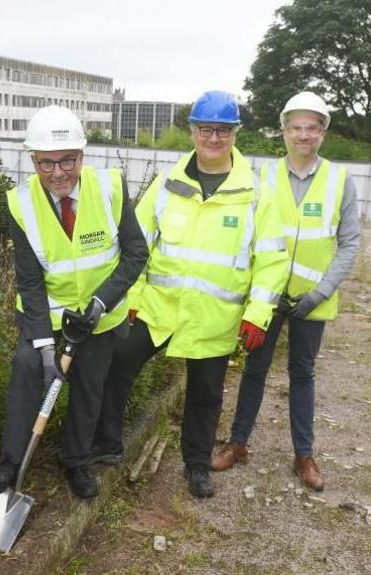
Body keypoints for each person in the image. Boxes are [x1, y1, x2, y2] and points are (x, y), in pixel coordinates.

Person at [92, 90, 288, 499]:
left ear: (235, 134)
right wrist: (130, 299)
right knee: (116, 366)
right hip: (155, 310)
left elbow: (271, 261)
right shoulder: (168, 184)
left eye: (222, 130)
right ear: (193, 132)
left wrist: (259, 313)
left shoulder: (257, 193)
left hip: (213, 317)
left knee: (206, 394)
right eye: (205, 129)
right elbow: (136, 245)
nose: (213, 138)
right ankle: (105, 444)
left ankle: (197, 466)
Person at [0, 106, 148, 500]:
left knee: (89, 387)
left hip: (98, 317)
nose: (58, 172)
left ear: (82, 157)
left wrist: (102, 303)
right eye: (46, 163)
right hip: (45, 317)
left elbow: (136, 255)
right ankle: (10, 463)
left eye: (67, 160)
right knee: (27, 370)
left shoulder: (111, 188)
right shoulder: (19, 204)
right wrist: (44, 346)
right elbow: (30, 281)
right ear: (33, 161)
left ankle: (75, 462)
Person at [213, 91, 361, 492]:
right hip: (269, 296)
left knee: (303, 374)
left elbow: (349, 243)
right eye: (296, 127)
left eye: (312, 128)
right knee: (254, 370)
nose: (303, 135)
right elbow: (250, 236)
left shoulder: (340, 181)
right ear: (283, 132)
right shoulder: (263, 179)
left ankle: (304, 456)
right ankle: (238, 443)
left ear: (322, 134)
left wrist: (321, 291)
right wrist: (259, 291)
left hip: (313, 300)